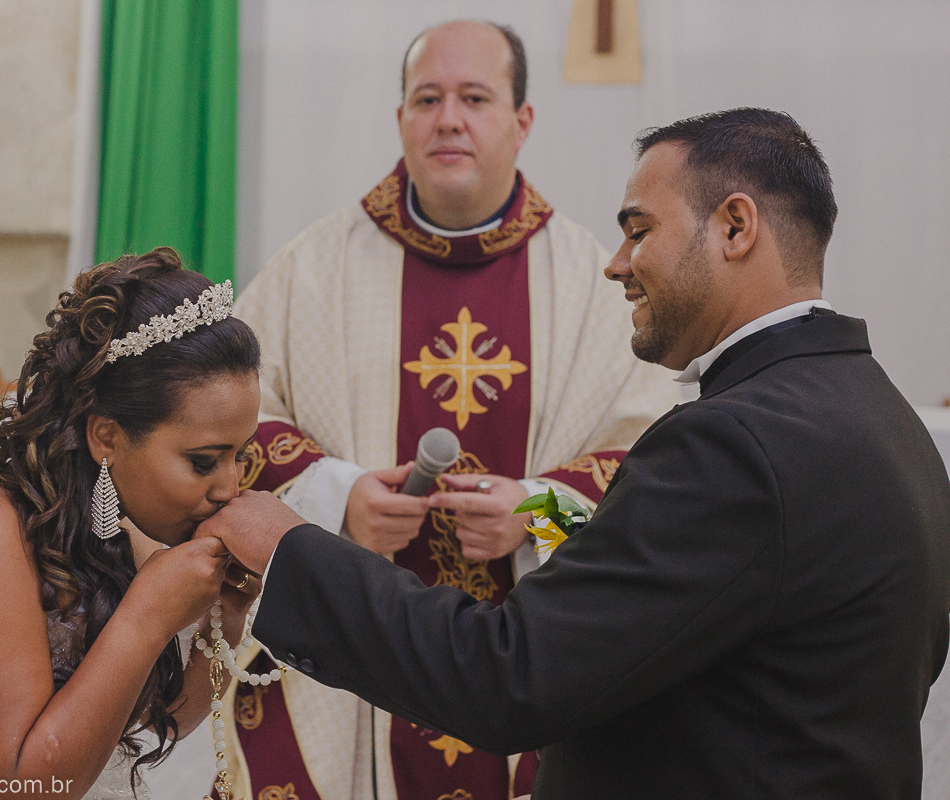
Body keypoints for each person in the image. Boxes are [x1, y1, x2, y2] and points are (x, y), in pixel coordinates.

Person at [202, 108, 950, 799]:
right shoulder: (885, 421)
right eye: (427, 97)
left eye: (639, 229)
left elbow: (510, 675)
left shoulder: (734, 442)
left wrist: (293, 549)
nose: (615, 263)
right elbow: (678, 578)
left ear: (734, 227)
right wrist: (352, 495)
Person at [229, 20, 678, 799]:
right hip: (346, 670)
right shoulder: (311, 270)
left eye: (475, 98)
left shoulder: (595, 285)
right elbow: (230, 424)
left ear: (521, 121)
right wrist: (338, 500)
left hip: (538, 661)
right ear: (400, 117)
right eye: (427, 98)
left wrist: (539, 514)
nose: (448, 119)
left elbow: (656, 464)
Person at [0, 248, 265, 800]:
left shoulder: (113, 527)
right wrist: (146, 617)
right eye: (203, 461)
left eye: (239, 456)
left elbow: (144, 727)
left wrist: (226, 613)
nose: (230, 488)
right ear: (106, 436)